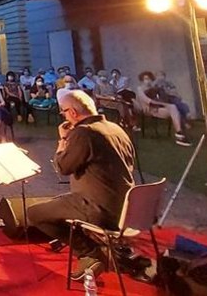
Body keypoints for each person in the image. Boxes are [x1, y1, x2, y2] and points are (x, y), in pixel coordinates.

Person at [26, 90, 135, 282]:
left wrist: (63, 141)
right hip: (128, 208)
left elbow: (63, 167)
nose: (64, 116)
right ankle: (99, 247)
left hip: (98, 208)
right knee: (59, 202)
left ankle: (90, 253)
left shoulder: (84, 133)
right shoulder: (116, 128)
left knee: (35, 213)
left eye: (64, 112)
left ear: (73, 113)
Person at [136, 71, 191, 146]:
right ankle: (181, 134)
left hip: (158, 108)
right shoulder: (140, 89)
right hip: (149, 109)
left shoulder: (154, 88)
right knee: (173, 109)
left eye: (149, 79)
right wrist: (164, 104)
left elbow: (162, 98)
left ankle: (179, 133)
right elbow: (148, 101)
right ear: (142, 80)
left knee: (174, 108)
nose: (147, 81)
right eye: (145, 79)